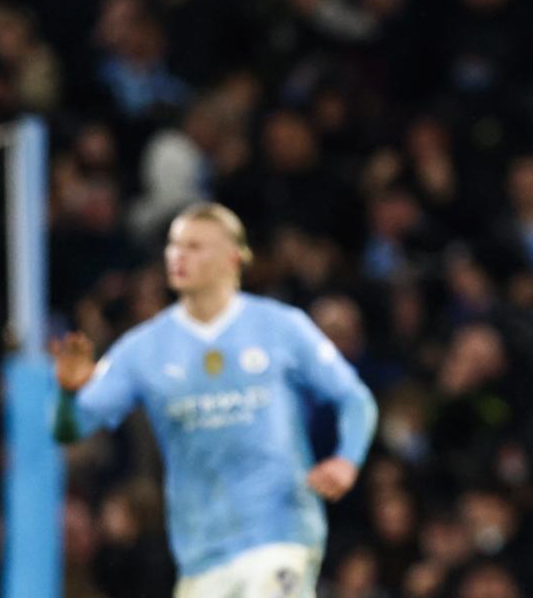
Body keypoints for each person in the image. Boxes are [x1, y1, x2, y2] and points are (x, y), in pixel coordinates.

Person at [52, 202, 378, 598]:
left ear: (233, 258)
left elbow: (354, 398)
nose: (178, 256)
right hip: (201, 554)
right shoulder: (143, 348)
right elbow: (71, 430)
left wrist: (348, 459)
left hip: (279, 535)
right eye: (174, 246)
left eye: (194, 246)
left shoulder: (280, 326)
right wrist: (69, 394)